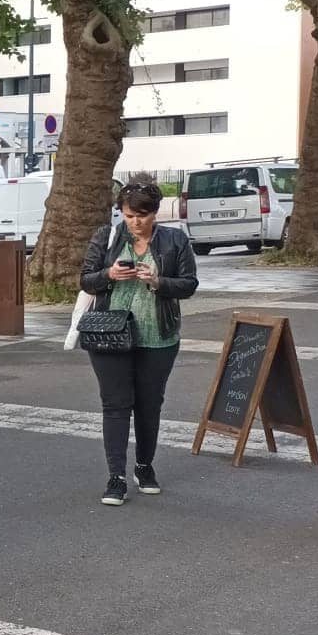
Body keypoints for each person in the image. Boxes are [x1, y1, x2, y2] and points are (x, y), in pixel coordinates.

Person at [79, 183, 198, 506]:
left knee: (149, 405)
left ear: (155, 213)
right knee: (115, 405)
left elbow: (189, 285)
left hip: (158, 336)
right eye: (129, 215)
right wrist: (110, 275)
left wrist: (157, 281)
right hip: (109, 334)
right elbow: (85, 278)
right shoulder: (107, 237)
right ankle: (115, 477)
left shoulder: (174, 240)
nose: (135, 223)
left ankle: (144, 467)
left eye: (142, 216)